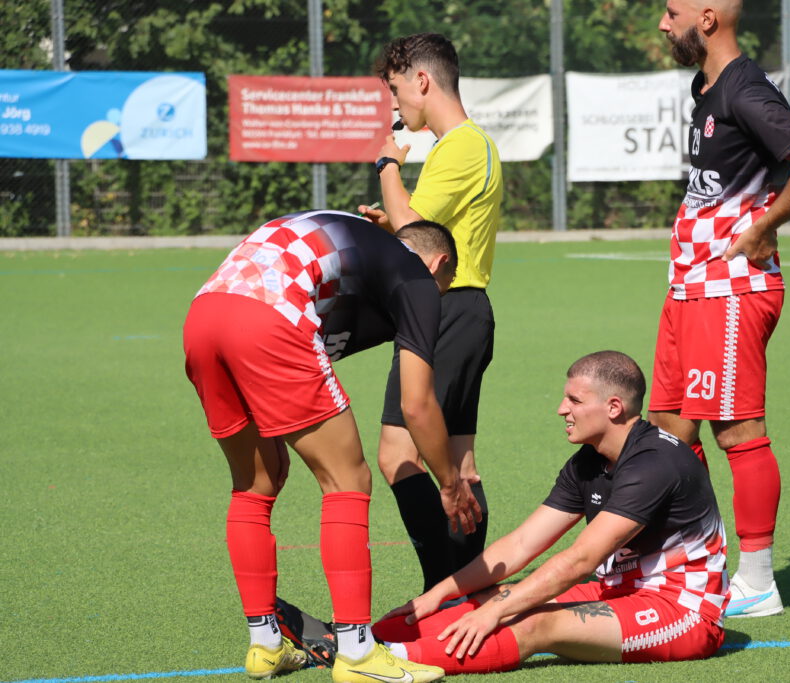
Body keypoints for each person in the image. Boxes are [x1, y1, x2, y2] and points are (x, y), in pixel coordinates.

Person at [276, 351, 729, 674]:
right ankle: (357, 643)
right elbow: (521, 544)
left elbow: (580, 560)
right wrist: (441, 594)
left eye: (574, 400)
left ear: (614, 407)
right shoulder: (589, 461)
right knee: (477, 602)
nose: (561, 409)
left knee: (531, 620)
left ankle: (382, 661)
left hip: (683, 612)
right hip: (617, 591)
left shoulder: (654, 463)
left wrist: (498, 611)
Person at [183, 212, 481, 682]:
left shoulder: (362, 246)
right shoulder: (417, 277)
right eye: (443, 289)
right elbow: (417, 404)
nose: (436, 303)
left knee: (256, 484)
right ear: (439, 264)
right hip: (270, 316)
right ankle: (358, 654)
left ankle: (266, 646)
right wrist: (449, 482)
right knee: (348, 480)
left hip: (203, 315)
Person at [649, 0, 790, 618]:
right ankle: (693, 564)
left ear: (707, 19)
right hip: (690, 286)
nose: (663, 24)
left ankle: (758, 582)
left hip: (730, 289)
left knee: (736, 431)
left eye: (672, 12)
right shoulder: (705, 87)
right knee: (670, 429)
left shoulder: (745, 90)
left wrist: (763, 227)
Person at [357, 32, 503, 593]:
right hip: (458, 310)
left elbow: (415, 226)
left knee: (398, 454)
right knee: (459, 463)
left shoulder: (462, 145)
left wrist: (387, 165)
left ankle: (443, 590)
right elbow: (420, 230)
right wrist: (392, 223)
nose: (396, 105)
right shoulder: (461, 145)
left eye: (396, 91)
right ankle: (464, 594)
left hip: (447, 309)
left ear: (422, 81)